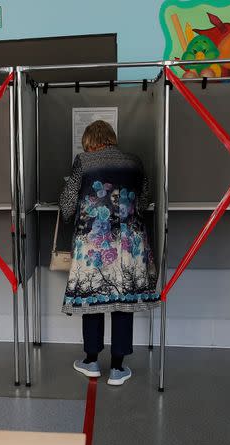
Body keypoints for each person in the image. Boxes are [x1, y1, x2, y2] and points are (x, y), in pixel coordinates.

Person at [59, 120, 158, 386]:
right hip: (130, 242)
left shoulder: (83, 161)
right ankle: (117, 368)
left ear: (90, 141)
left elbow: (67, 206)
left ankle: (91, 362)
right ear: (112, 138)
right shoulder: (134, 162)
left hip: (95, 240)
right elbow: (144, 199)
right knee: (122, 300)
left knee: (93, 297)